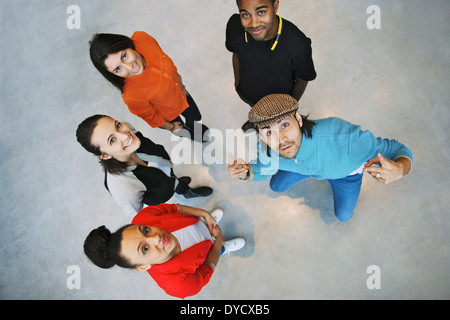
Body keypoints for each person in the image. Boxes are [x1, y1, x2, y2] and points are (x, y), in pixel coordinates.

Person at [228, 94, 413, 222]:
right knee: (276, 185)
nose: (281, 139)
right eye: (268, 132)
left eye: (285, 124)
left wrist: (400, 169)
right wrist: (246, 172)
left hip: (346, 175)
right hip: (303, 167)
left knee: (343, 216)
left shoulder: (345, 139)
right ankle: (306, 171)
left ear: (299, 120)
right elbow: (262, 169)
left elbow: (399, 149)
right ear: (261, 136)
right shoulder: (270, 148)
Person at [84, 203, 245, 299]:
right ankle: (224, 249)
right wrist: (218, 243)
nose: (157, 238)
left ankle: (209, 224)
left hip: (198, 223)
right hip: (208, 251)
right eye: (145, 249)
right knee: (216, 250)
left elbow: (176, 209)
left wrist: (204, 214)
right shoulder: (176, 286)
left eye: (145, 231)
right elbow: (208, 267)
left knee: (205, 225)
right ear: (142, 267)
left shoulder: (143, 217)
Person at [76, 114, 213, 216]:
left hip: (163, 167)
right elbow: (139, 214)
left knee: (172, 178)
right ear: (105, 155)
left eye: (117, 125)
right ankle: (184, 190)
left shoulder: (128, 129)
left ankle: (181, 187)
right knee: (171, 184)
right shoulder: (122, 187)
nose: (125, 135)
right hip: (161, 190)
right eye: (112, 140)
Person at [89, 31, 209, 142]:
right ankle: (196, 137)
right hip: (169, 115)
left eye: (124, 56)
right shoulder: (131, 96)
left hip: (181, 94)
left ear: (126, 45)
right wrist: (171, 127)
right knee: (183, 131)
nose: (129, 67)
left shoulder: (142, 39)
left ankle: (195, 129)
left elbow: (167, 61)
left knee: (196, 117)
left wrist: (180, 83)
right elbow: (151, 117)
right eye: (118, 69)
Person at [226, 0, 317, 130]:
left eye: (261, 12)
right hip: (250, 94)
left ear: (275, 6)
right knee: (259, 114)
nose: (254, 24)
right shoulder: (235, 26)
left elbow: (303, 79)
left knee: (278, 127)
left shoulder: (298, 45)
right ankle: (258, 122)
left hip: (280, 101)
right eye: (245, 15)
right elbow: (236, 53)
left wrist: (288, 107)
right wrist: (238, 83)